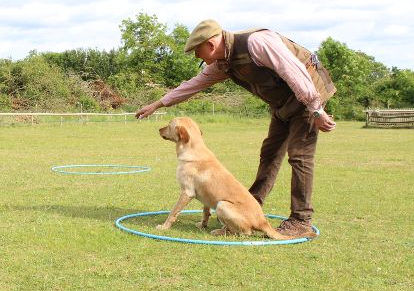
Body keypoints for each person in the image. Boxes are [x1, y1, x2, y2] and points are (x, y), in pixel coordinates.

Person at [135, 19, 337, 236]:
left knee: (299, 156)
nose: (198, 58)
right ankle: (247, 209)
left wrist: (316, 109)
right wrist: (158, 104)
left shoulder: (256, 43)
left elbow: (293, 70)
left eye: (198, 53)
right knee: (269, 154)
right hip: (282, 103)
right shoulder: (224, 63)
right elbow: (193, 85)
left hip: (307, 95)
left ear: (211, 45)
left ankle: (301, 221)